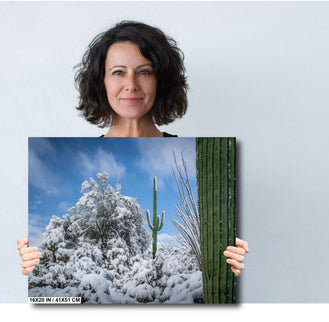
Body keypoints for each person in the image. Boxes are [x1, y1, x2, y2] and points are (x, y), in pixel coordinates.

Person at [18, 21, 249, 277]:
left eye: (144, 71)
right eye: (118, 72)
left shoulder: (193, 155)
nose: (131, 84)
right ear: (101, 81)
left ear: (160, 81)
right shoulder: (73, 157)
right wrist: (34, 265)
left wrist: (230, 265)